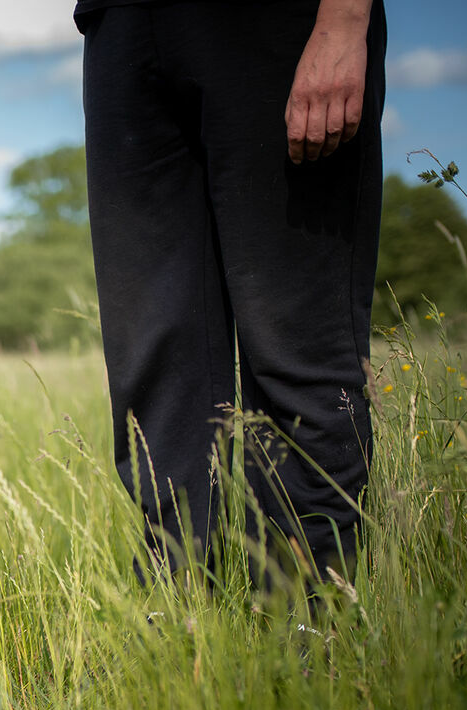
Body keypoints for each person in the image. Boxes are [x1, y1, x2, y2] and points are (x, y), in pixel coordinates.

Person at [75, 0, 387, 587]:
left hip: (276, 23)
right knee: (155, 359)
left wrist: (344, 22)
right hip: (121, 25)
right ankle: (179, 609)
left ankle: (309, 610)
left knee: (297, 348)